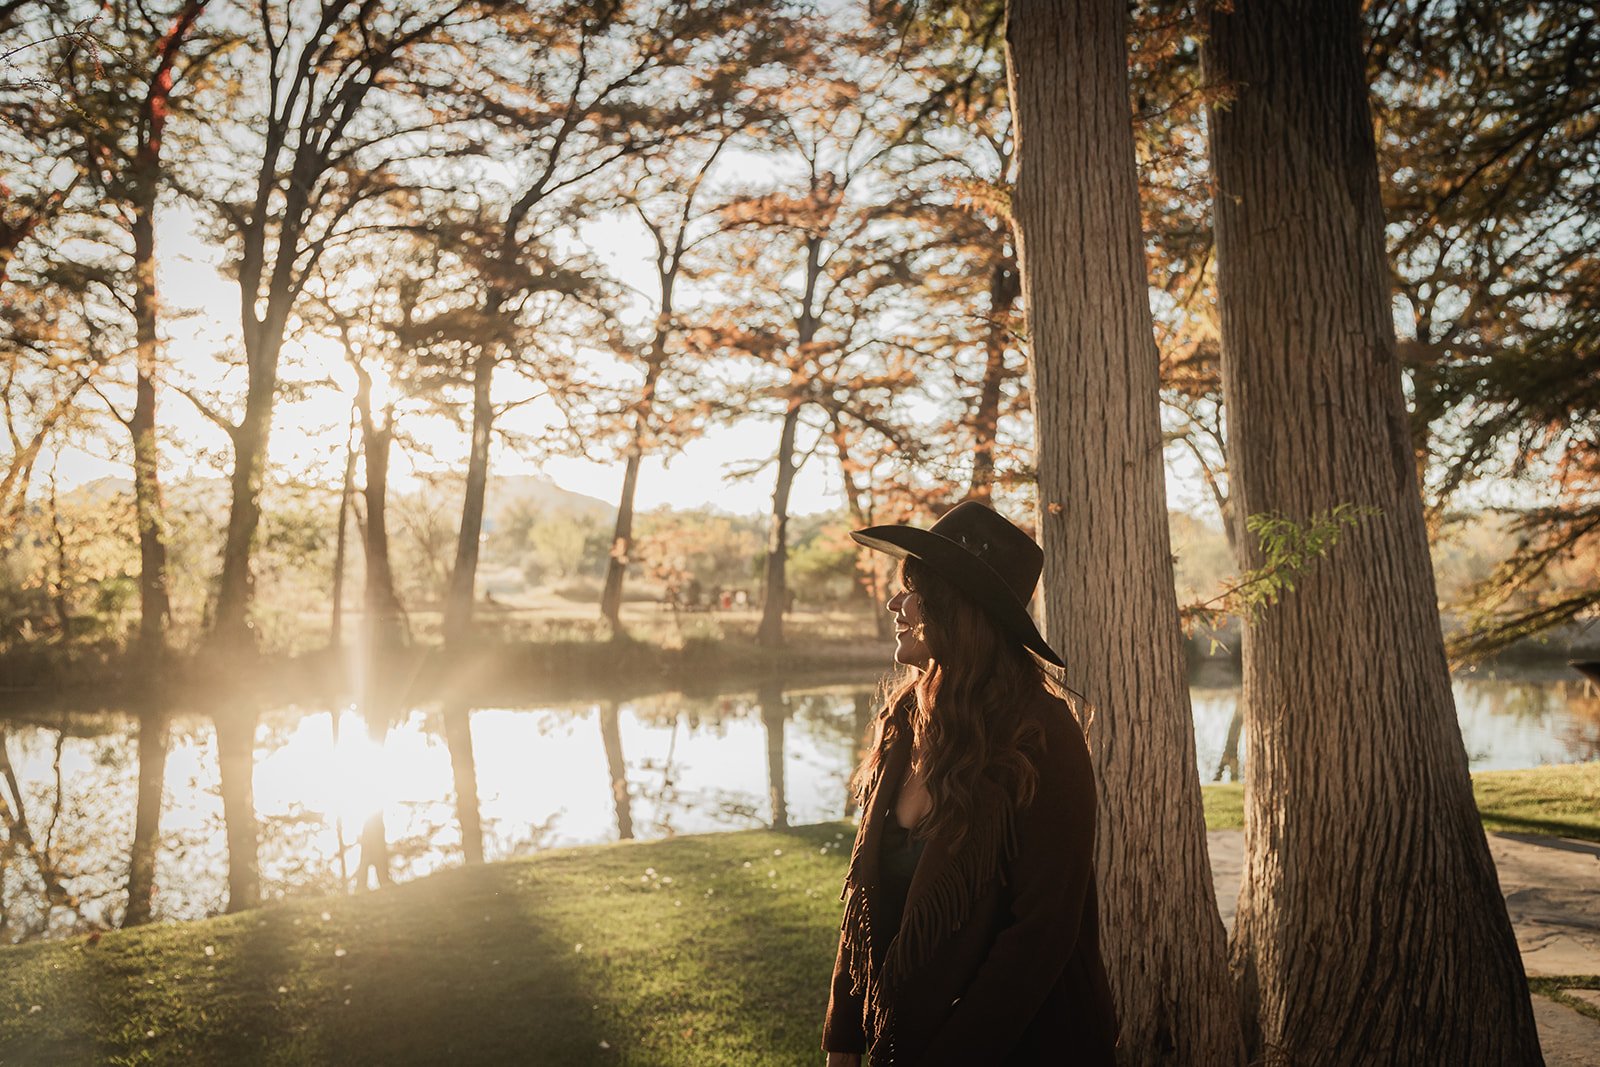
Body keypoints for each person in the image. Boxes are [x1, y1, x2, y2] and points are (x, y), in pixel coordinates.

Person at [821, 501, 1118, 1066]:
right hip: (897, 1038)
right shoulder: (905, 720)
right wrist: (843, 1042)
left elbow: (1040, 937)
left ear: (963, 611)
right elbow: (865, 899)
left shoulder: (1042, 738)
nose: (895, 602)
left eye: (915, 590)